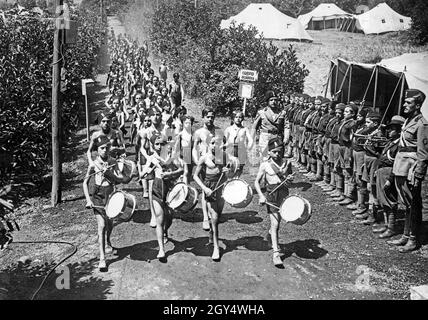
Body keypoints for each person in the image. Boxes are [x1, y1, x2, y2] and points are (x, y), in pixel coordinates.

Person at [388, 89, 428, 252]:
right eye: (405, 101)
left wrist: (418, 173)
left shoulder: (422, 124)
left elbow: (423, 153)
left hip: (410, 168)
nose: (404, 104)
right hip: (401, 166)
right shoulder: (408, 120)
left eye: (408, 102)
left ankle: (413, 239)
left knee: (413, 204)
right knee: (406, 204)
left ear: (417, 105)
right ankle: (405, 235)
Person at [142, 134, 186, 261]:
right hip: (157, 189)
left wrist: (171, 173)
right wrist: (147, 171)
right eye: (157, 144)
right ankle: (161, 249)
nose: (159, 146)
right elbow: (141, 174)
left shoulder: (172, 158)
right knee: (159, 219)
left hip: (170, 190)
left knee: (170, 217)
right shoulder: (151, 158)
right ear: (153, 146)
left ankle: (166, 231)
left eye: (162, 144)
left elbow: (182, 170)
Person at [83, 135, 121, 271]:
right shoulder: (93, 164)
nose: (105, 150)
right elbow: (85, 183)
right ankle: (102, 258)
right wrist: (88, 200)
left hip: (110, 196)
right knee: (102, 225)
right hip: (98, 197)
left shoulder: (113, 161)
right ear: (97, 150)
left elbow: (119, 179)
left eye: (107, 147)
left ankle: (108, 241)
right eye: (102, 148)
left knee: (110, 224)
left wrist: (110, 174)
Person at [254, 137, 293, 268]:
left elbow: (289, 181)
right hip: (271, 195)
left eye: (280, 151)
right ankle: (276, 253)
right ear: (269, 152)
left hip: (283, 195)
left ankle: (271, 234)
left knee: (278, 223)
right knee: (275, 223)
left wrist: (290, 179)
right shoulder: (265, 165)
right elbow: (256, 182)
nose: (278, 154)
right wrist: (260, 195)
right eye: (275, 152)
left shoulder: (287, 163)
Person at [193, 135, 231, 261]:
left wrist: (227, 172)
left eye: (219, 143)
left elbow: (229, 176)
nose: (216, 145)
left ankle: (211, 233)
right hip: (209, 189)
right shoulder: (204, 158)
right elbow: (195, 176)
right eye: (213, 143)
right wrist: (204, 189)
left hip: (221, 189)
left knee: (218, 216)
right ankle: (216, 247)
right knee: (214, 218)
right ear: (209, 144)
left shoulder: (224, 156)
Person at [373, 116, 404, 238]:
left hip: (389, 173)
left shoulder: (399, 145)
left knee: (390, 201)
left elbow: (396, 164)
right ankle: (386, 225)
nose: (389, 131)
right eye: (389, 129)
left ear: (399, 131)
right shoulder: (390, 142)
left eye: (392, 129)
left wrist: (390, 180)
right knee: (383, 200)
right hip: (382, 172)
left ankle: (391, 228)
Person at [192, 107, 218, 231]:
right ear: (203, 117)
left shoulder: (217, 131)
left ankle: (213, 211)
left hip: (215, 162)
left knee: (215, 187)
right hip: (203, 161)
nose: (210, 119)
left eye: (212, 117)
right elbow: (193, 148)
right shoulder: (199, 132)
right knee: (204, 189)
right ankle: (205, 218)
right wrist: (196, 160)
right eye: (208, 116)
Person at [252, 90, 288, 160]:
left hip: (277, 138)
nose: (273, 102)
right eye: (271, 100)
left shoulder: (282, 113)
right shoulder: (262, 112)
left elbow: (287, 126)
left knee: (278, 159)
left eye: (275, 100)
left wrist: (286, 137)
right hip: (265, 138)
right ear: (267, 101)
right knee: (265, 159)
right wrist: (252, 139)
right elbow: (254, 126)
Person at [224, 110, 254, 177]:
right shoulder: (229, 129)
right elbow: (224, 141)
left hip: (241, 150)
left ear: (242, 118)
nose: (238, 119)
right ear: (233, 118)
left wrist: (249, 146)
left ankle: (236, 180)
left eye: (240, 117)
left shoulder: (244, 129)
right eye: (236, 117)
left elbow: (250, 139)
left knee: (239, 168)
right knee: (230, 168)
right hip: (231, 150)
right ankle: (228, 181)